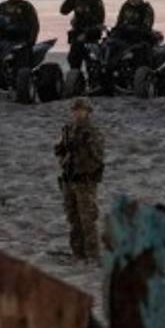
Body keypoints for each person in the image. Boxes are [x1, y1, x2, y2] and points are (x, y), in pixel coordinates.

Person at [54, 97, 105, 261]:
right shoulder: (67, 129)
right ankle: (78, 254)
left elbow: (98, 157)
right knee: (73, 219)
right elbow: (58, 149)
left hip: (85, 181)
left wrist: (85, 166)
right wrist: (64, 160)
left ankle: (93, 255)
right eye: (75, 110)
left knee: (88, 220)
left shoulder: (92, 131)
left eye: (81, 110)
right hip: (69, 179)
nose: (77, 113)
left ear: (88, 112)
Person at [59, 0, 105, 70]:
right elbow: (63, 11)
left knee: (91, 60)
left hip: (91, 34)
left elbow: (99, 21)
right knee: (73, 59)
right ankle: (76, 78)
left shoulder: (95, 0)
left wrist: (86, 33)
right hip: (78, 32)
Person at [0, 0, 40, 66]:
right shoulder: (2, 6)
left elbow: (34, 25)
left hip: (20, 39)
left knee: (22, 59)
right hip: (2, 39)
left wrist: (31, 41)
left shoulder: (26, 6)